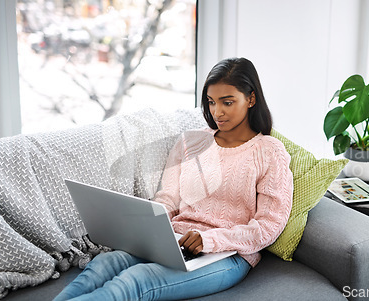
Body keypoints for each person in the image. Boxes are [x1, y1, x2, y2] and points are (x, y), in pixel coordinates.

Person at [54, 57, 293, 301]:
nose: (217, 112)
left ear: (251, 99)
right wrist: (147, 225)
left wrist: (208, 240)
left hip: (228, 254)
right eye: (211, 102)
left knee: (134, 281)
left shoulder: (269, 151)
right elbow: (168, 198)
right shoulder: (191, 142)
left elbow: (268, 226)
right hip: (174, 242)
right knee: (105, 263)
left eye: (227, 102)